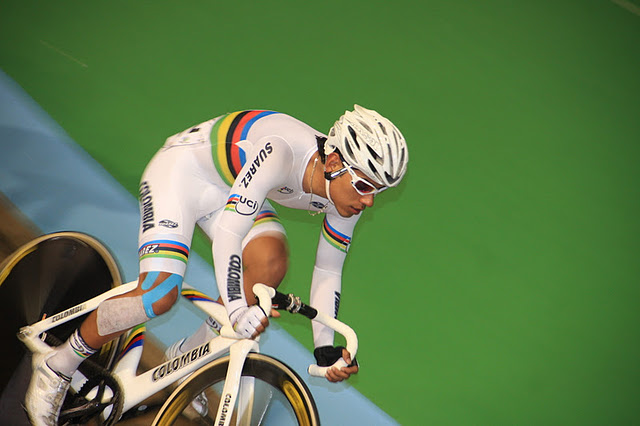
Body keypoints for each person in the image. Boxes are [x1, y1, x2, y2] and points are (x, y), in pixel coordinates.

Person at [25, 104, 409, 425]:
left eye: (378, 191)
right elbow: (229, 233)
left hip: (229, 188)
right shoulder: (282, 153)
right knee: (160, 294)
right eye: (364, 187)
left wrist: (324, 350)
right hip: (179, 174)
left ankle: (185, 358)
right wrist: (237, 309)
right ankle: (58, 365)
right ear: (335, 161)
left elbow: (327, 269)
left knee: (270, 263)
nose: (369, 201)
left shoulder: (349, 190)